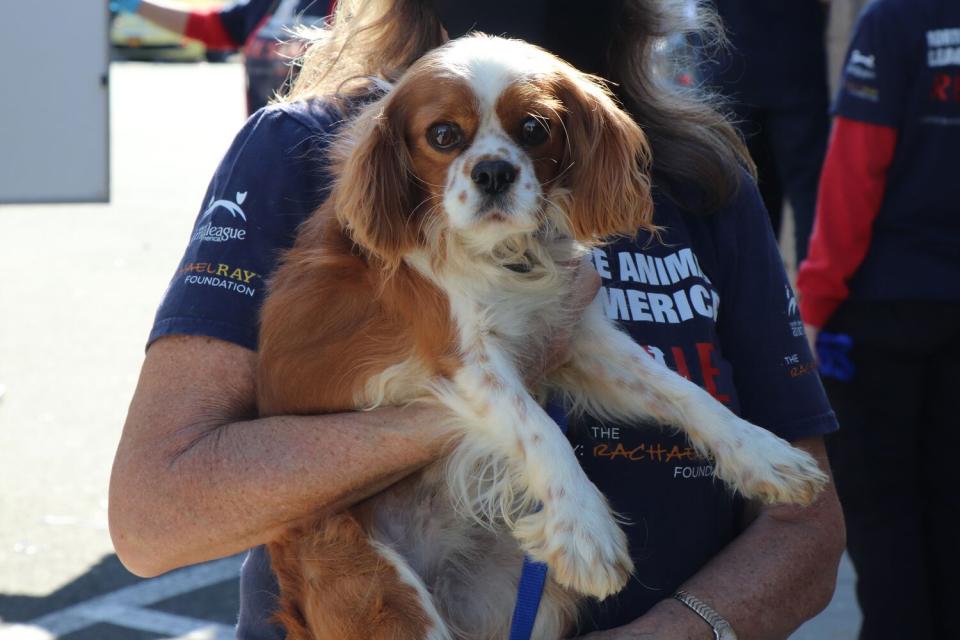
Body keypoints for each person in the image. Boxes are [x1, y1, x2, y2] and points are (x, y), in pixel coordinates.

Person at [109, 1, 845, 638]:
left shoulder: (699, 172)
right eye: (446, 138)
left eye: (533, 131)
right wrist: (459, 406)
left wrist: (677, 633)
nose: (491, 157)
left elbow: (808, 525)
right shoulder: (303, 149)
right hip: (379, 590)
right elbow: (155, 514)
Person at [797, 0, 960, 638]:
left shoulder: (895, 19)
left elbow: (854, 172)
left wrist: (813, 302)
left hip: (880, 315)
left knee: (884, 515)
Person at [701, 0, 831, 265]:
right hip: (794, 58)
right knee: (808, 198)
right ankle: (810, 298)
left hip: (729, 59)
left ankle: (744, 295)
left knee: (733, 195)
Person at [110, 0, 330, 111]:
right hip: (269, 148)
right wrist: (138, 6)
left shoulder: (354, 6)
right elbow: (210, 27)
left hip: (329, 162)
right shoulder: (268, 3)